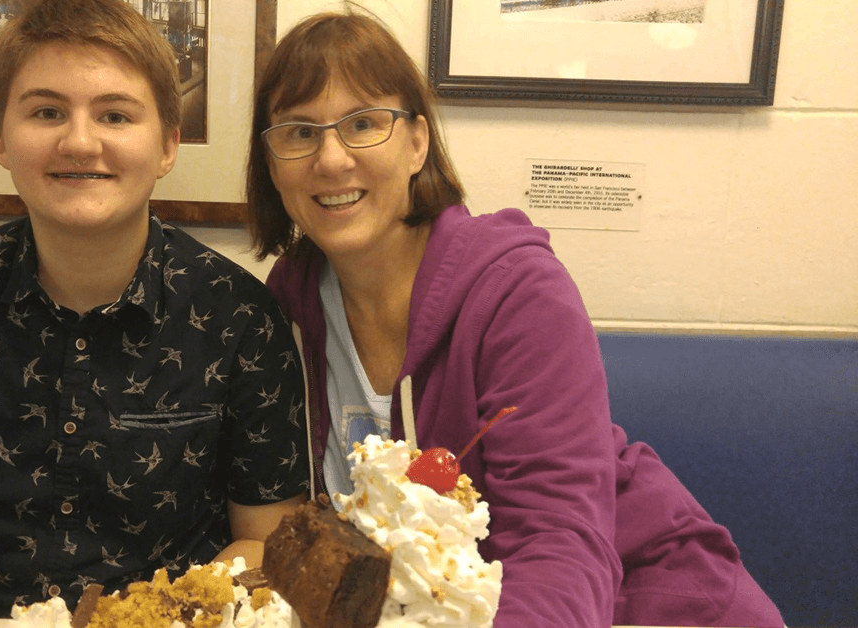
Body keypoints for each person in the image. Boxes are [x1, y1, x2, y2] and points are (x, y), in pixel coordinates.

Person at [246, 11, 785, 628]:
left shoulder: (519, 292)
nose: (331, 159)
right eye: (298, 132)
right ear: (271, 161)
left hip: (642, 599)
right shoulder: (286, 305)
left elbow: (563, 545)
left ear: (418, 142)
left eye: (364, 124)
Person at [0, 0, 308, 617]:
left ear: (167, 144)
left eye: (114, 115)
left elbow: (265, 538)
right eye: (47, 111)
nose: (80, 142)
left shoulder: (239, 317)